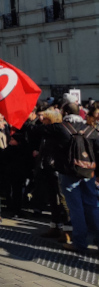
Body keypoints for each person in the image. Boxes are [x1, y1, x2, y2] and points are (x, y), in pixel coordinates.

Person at [25, 103, 99, 253]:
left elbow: (34, 129)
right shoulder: (92, 130)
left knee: (76, 208)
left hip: (69, 172)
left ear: (64, 112)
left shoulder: (60, 128)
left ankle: (79, 243)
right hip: (89, 173)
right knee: (92, 205)